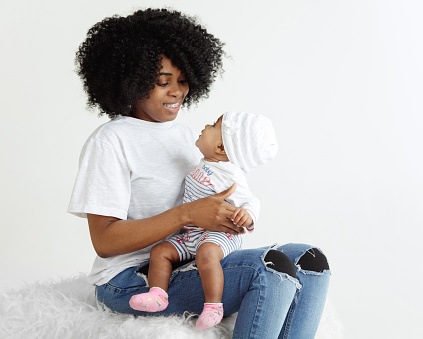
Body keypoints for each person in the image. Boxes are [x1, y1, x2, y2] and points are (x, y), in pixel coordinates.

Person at [68, 8, 331, 338]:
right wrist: (188, 214)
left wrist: (232, 216)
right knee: (267, 269)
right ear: (131, 81)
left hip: (188, 257)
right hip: (130, 278)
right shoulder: (111, 141)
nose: (177, 91)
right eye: (163, 82)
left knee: (310, 261)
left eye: (182, 80)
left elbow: (217, 191)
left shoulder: (185, 137)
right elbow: (104, 240)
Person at [129, 111, 278, 330]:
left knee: (206, 254)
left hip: (220, 235)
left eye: (213, 125)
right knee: (160, 251)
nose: (206, 125)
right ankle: (158, 294)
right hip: (193, 234)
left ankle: (214, 306)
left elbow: (251, 199)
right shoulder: (204, 164)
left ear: (221, 148)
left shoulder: (230, 173)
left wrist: (248, 215)